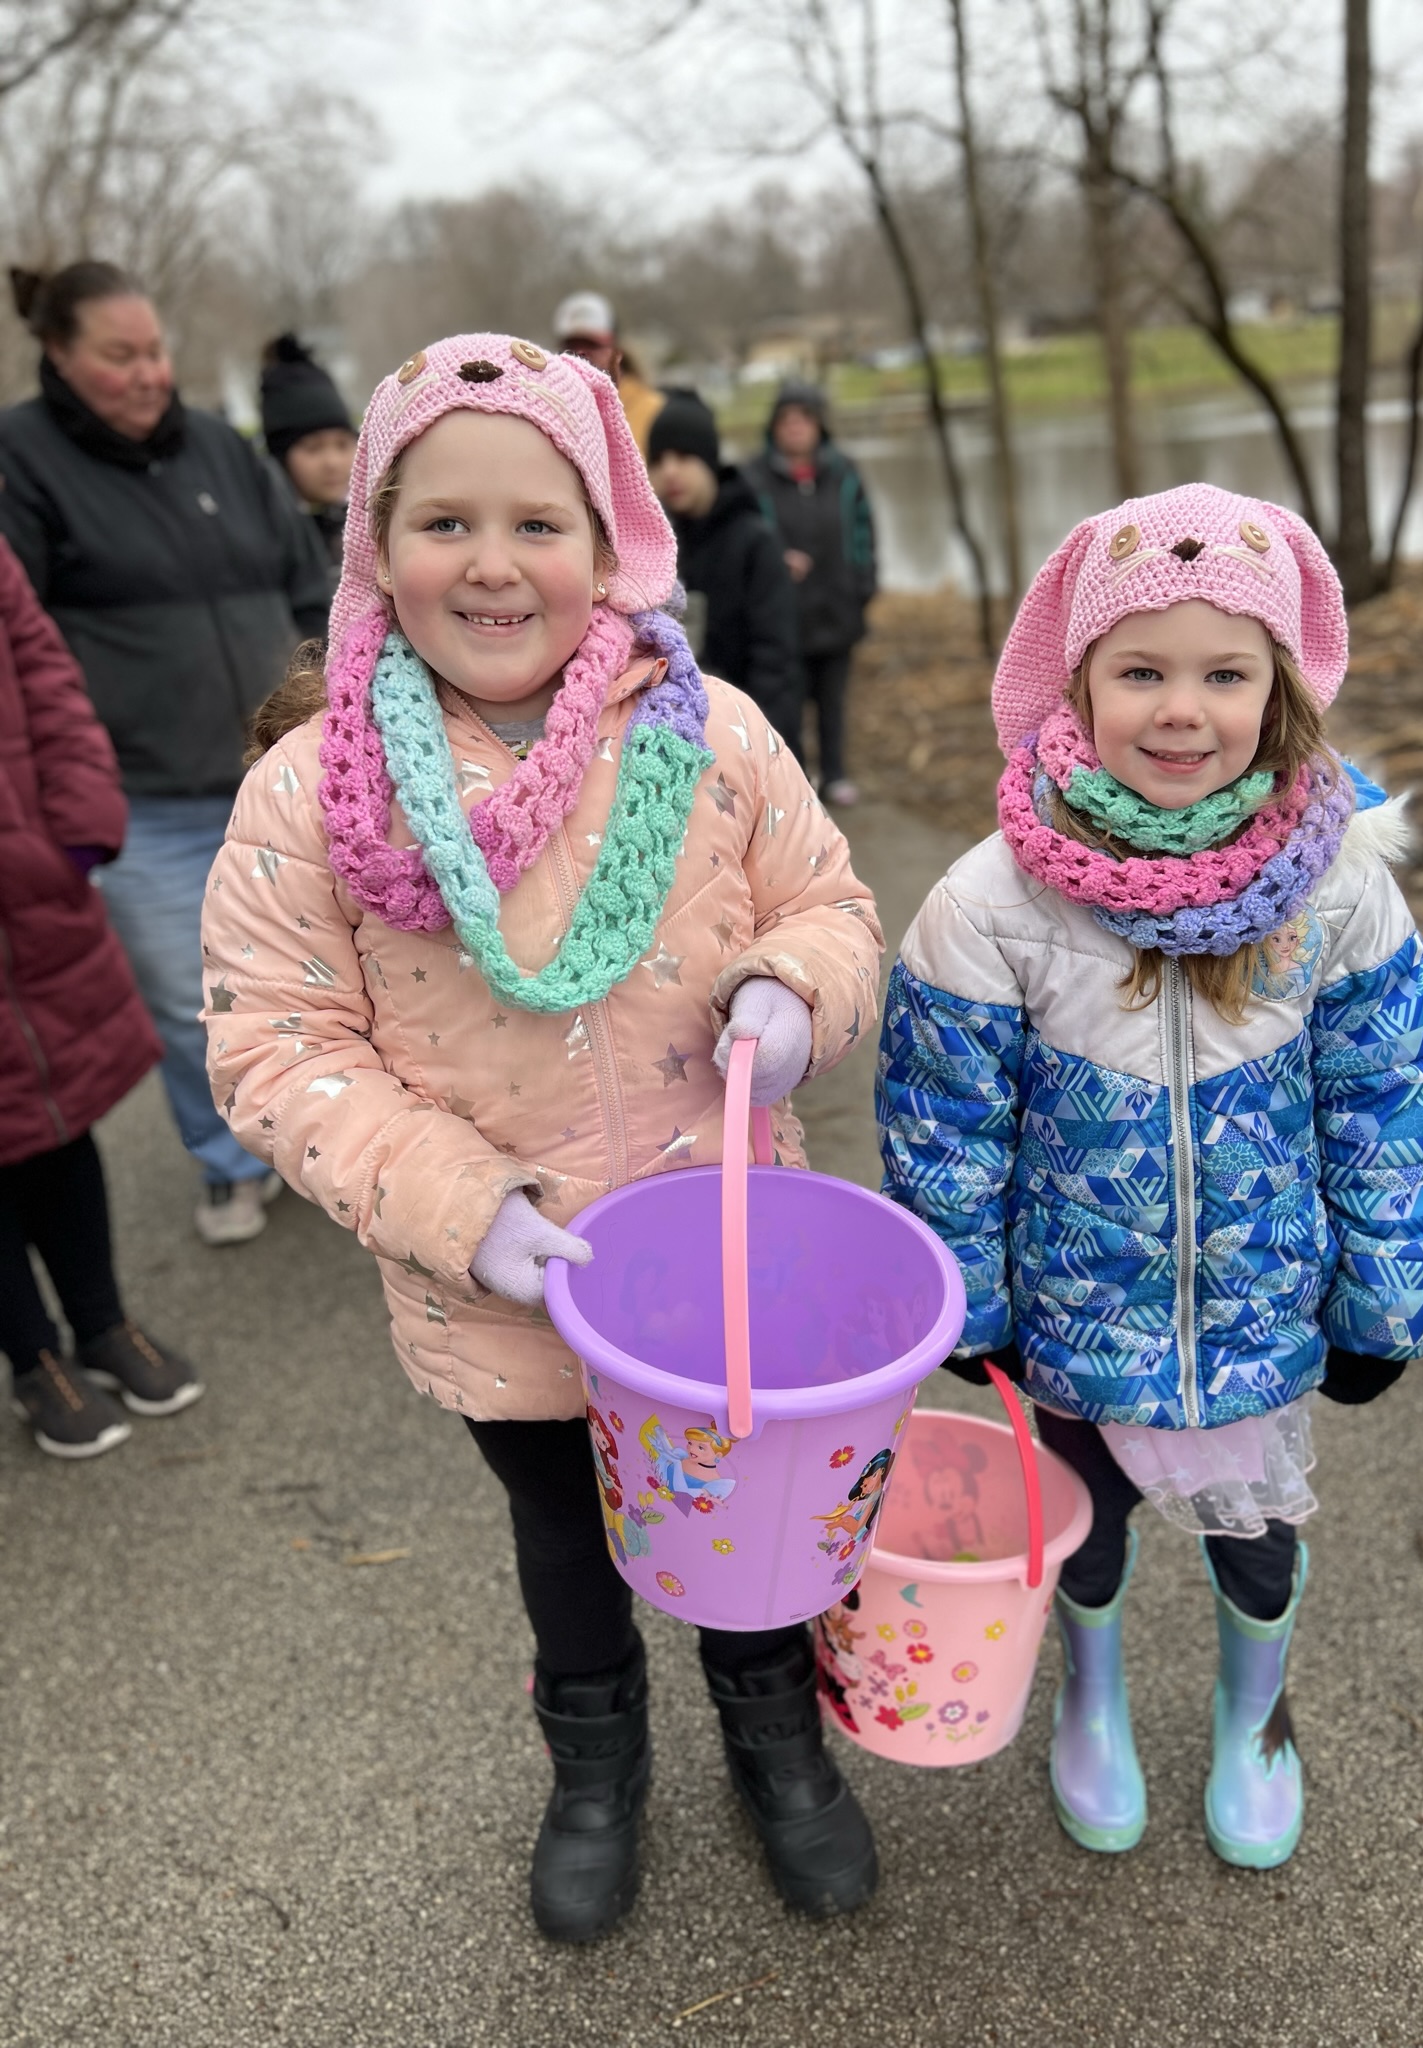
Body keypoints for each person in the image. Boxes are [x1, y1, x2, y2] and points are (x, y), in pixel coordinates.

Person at [200, 334, 884, 1941]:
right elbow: (278, 1041)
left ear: (614, 544)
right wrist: (455, 1201)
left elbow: (831, 905)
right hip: (499, 1293)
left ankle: (774, 1737)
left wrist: (798, 986)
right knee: (564, 1543)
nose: (494, 565)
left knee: (751, 1526)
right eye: (445, 524)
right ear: (377, 546)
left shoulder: (711, 739)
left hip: (728, 1273)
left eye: (538, 523)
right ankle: (595, 1769)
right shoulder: (312, 793)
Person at [877, 484, 1423, 1871]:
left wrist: (1385, 1300)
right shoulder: (990, 903)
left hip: (1263, 1308)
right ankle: (1090, 1696)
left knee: (1254, 1546)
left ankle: (1258, 1719)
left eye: (1224, 673)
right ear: (1076, 683)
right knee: (1084, 1536)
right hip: (1074, 1322)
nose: (1182, 710)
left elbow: (1392, 1096)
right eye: (1142, 671)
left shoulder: (1340, 888)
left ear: (1282, 687)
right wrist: (972, 1305)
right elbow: (944, 1124)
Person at [0, 263, 332, 1246]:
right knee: (197, 998)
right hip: (146, 794)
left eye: (156, 351)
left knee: (315, 968)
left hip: (277, 776)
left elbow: (307, 584)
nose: (149, 373)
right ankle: (228, 1159)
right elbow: (25, 646)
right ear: (60, 355)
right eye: (120, 355)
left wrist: (335, 700)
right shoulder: (21, 461)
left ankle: (328, 1132)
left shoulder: (226, 456)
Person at [0, 534, 202, 1457]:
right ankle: (34, 1357)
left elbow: (44, 672)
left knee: (61, 1115)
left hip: (32, 891)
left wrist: (75, 835)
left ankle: (103, 1322)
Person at [745, 379, 876, 807]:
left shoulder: (844, 473)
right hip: (783, 615)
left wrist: (863, 585)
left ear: (819, 425)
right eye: (787, 419)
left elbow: (863, 534)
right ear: (774, 427)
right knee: (787, 700)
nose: (796, 427)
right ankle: (794, 781)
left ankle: (836, 774)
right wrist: (777, 559)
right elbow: (747, 536)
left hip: (837, 608)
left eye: (804, 418)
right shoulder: (754, 478)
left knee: (832, 700)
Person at [648, 387, 802, 747]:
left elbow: (776, 663)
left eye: (684, 456)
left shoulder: (755, 542)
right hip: (673, 738)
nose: (669, 471)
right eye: (657, 459)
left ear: (710, 460)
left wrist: (761, 745)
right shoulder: (652, 548)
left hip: (748, 737)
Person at [259, 332, 357, 568]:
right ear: (280, 457)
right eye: (313, 449)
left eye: (343, 444)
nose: (332, 462)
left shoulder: (372, 528)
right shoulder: (267, 541)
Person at [552, 290, 663, 453]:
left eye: (593, 344)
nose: (581, 353)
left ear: (615, 347)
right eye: (571, 345)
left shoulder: (654, 410)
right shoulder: (553, 407)